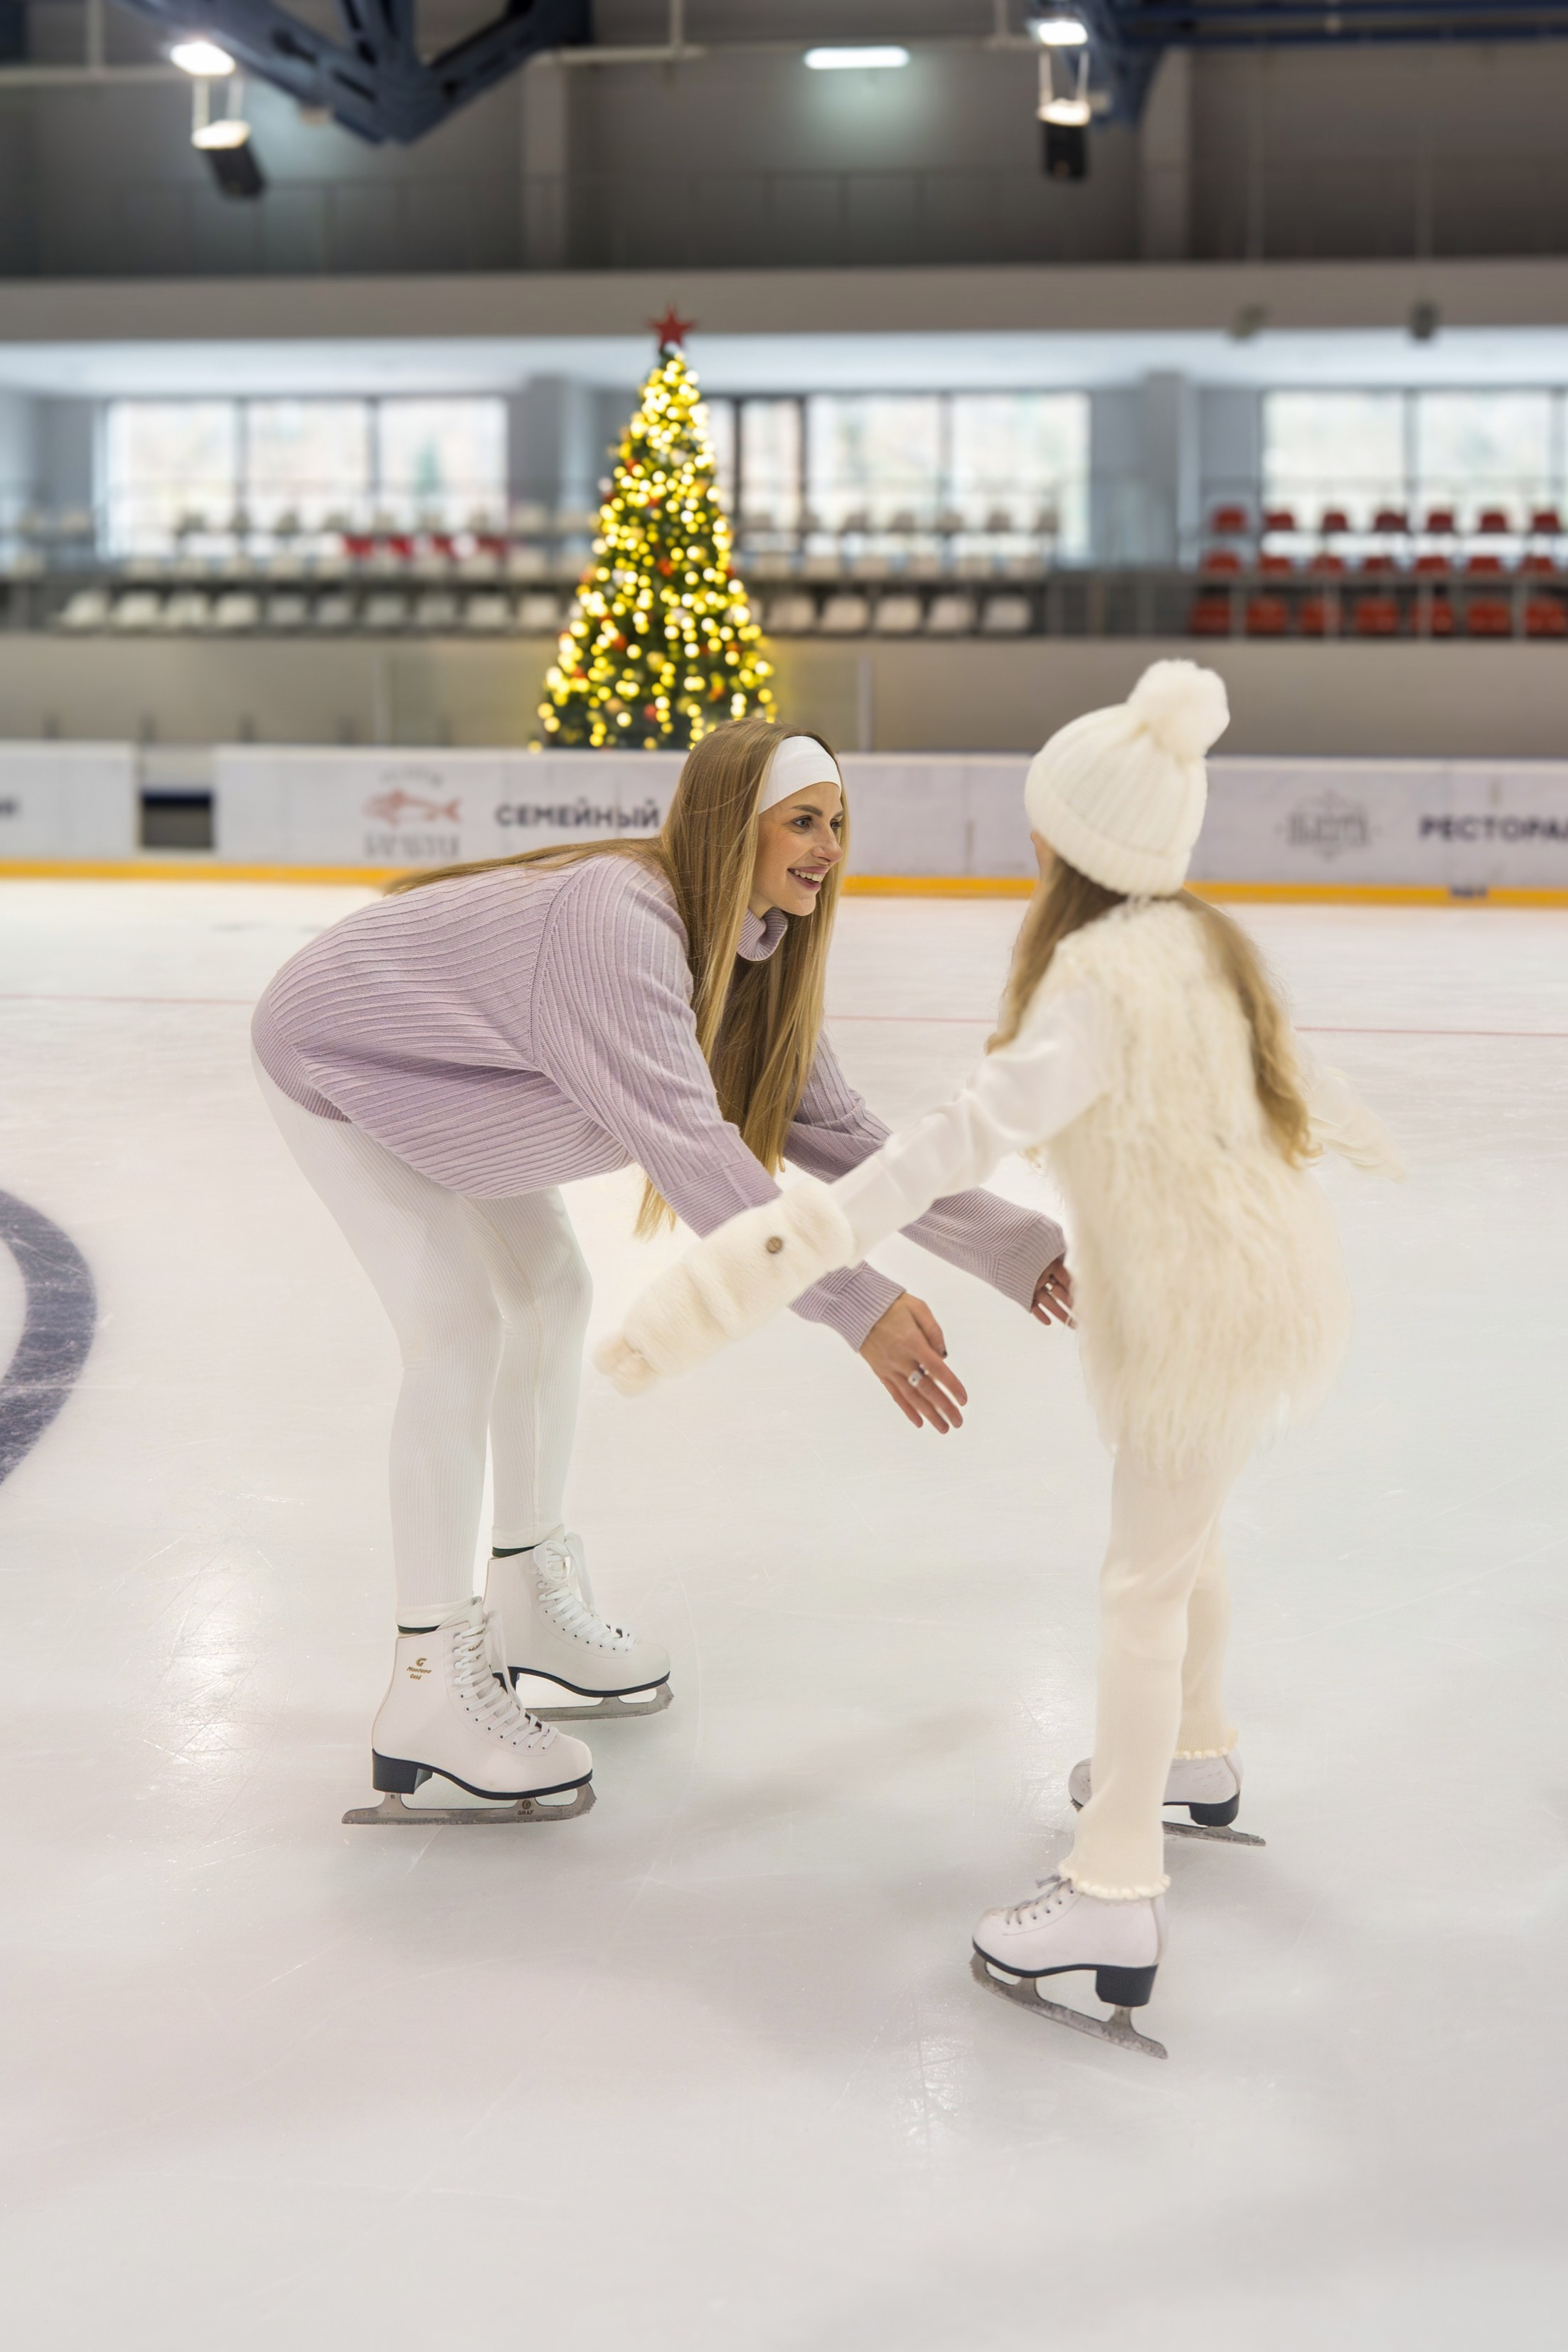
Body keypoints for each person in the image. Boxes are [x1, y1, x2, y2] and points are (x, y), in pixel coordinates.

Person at [598, 664, 1402, 2033]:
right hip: (1261, 1288)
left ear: (1065, 846)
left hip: (1195, 1312)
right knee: (1189, 1544)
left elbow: (947, 1146)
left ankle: (1112, 1890)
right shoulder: (1199, 942)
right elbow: (1296, 1103)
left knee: (1140, 1583)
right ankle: (1193, 1757)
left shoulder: (1093, 980)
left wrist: (789, 1253)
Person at [251, 718, 1072, 1816]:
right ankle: (424, 1687)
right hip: (346, 1058)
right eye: (803, 821)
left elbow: (841, 1136)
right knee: (457, 1329)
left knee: (552, 1294)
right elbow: (697, 1154)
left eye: (836, 823)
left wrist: (1012, 1244)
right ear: (736, 821)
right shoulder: (621, 924)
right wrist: (853, 1304)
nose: (827, 845)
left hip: (470, 1085)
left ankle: (527, 1602)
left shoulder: (758, 949)